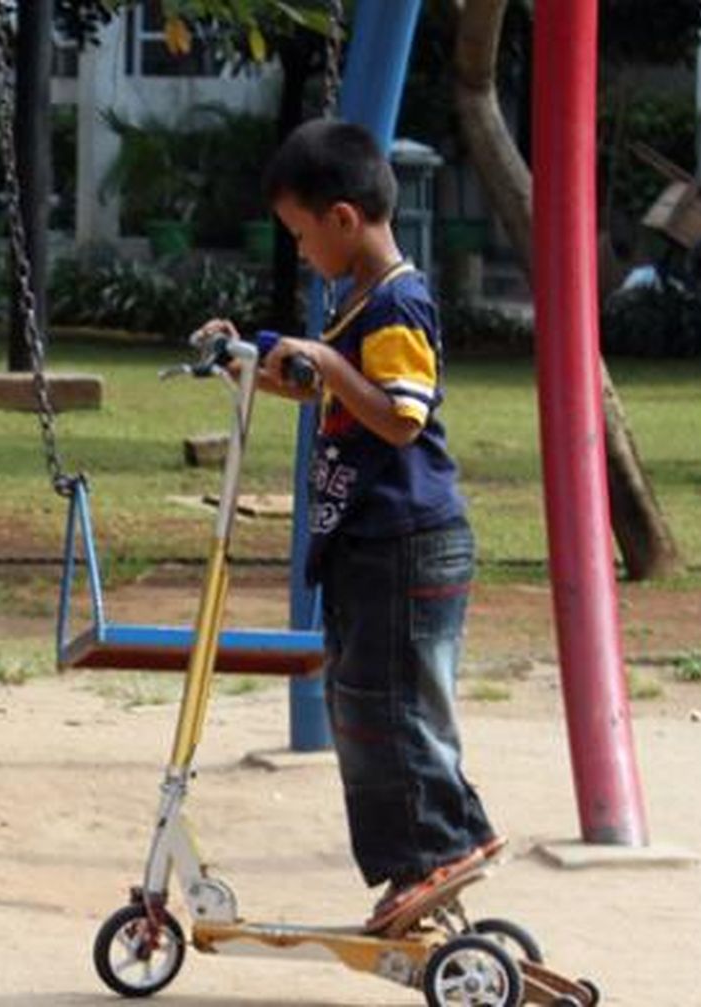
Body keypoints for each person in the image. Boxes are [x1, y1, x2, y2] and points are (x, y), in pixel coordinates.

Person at [203, 119, 503, 933]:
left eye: (301, 236)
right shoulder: (356, 300)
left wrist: (329, 363)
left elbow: (402, 416)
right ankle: (415, 865)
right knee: (362, 704)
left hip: (407, 539)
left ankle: (447, 847)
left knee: (396, 703)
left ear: (341, 218)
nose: (301, 253)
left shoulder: (399, 302)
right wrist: (249, 358)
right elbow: (330, 390)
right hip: (370, 542)